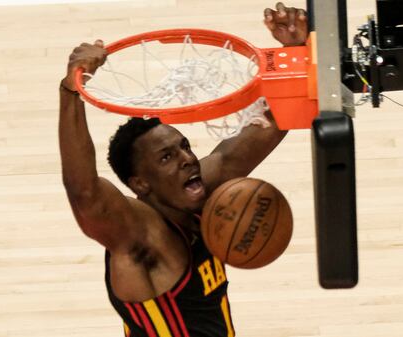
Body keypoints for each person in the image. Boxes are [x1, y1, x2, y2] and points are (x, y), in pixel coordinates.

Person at [59, 3, 308, 336]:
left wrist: (295, 51)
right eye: (166, 158)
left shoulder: (196, 191)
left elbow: (271, 124)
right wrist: (70, 92)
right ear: (140, 184)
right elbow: (84, 192)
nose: (187, 159)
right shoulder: (139, 238)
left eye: (184, 146)